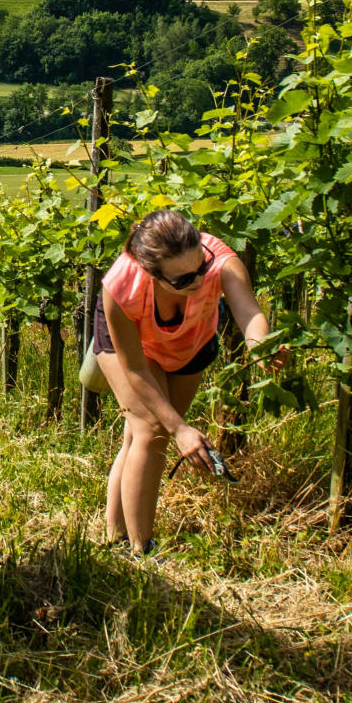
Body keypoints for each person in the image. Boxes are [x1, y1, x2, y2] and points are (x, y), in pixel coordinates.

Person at [93, 209, 273, 554]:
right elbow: (136, 371)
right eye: (181, 280)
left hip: (190, 343)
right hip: (132, 351)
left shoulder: (218, 260)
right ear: (150, 273)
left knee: (139, 436)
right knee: (153, 429)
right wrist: (180, 429)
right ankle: (141, 548)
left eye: (200, 269)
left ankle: (113, 533)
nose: (197, 281)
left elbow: (249, 313)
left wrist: (263, 348)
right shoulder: (121, 287)